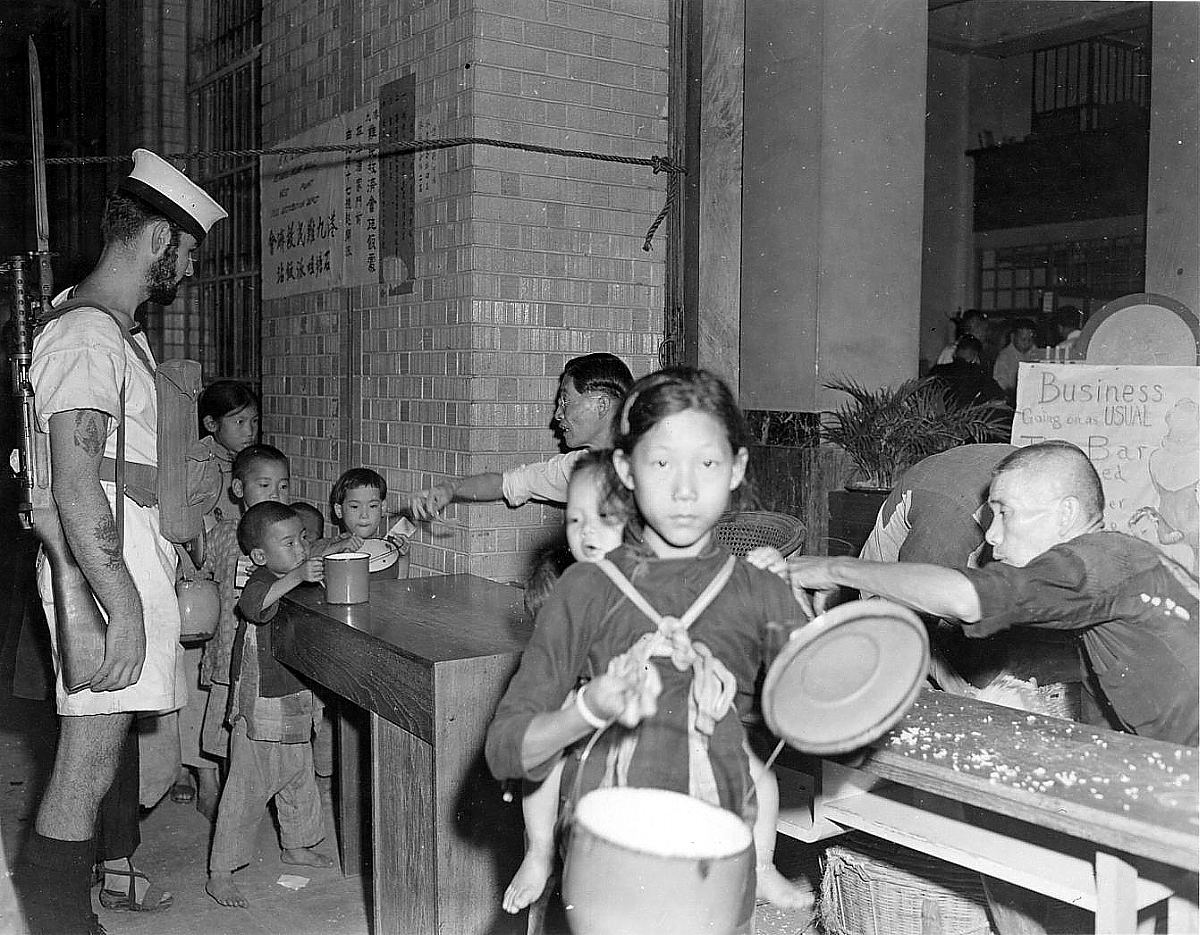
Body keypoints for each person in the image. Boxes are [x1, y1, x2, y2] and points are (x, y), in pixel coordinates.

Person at [486, 367, 807, 924]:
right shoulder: (585, 589)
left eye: (707, 463)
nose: (685, 489)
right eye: (660, 462)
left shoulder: (760, 592)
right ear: (624, 469)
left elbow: (826, 726)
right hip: (600, 866)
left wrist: (809, 618)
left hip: (718, 868)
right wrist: (590, 708)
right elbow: (506, 750)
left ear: (737, 469)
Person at [14, 149, 225, 934]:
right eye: (190, 252)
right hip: (108, 572)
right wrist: (123, 605)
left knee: (96, 763)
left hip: (126, 558)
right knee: (83, 764)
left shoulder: (114, 334)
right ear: (160, 240)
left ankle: (73, 919)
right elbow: (74, 484)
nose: (191, 271)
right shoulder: (88, 335)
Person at [789, 441, 1200, 747]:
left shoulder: (1089, 566)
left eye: (1005, 513)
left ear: (1066, 515)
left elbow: (967, 600)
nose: (990, 534)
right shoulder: (1115, 558)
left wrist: (834, 567)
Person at [206, 501, 333, 908]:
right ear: (260, 555)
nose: (300, 548)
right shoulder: (259, 579)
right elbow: (254, 608)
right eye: (288, 543)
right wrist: (296, 575)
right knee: (246, 788)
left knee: (299, 778)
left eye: (302, 540)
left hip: (294, 696)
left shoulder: (297, 579)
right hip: (260, 705)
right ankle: (220, 871)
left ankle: (296, 845)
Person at [408, 353, 633, 518]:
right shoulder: (579, 467)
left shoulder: (648, 461)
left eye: (565, 401)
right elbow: (508, 483)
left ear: (602, 405)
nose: (557, 414)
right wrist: (450, 489)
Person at [199, 444, 292, 781]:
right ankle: (225, 794)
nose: (276, 494)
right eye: (264, 485)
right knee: (228, 731)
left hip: (269, 654)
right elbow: (197, 570)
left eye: (283, 486)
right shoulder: (223, 535)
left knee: (264, 733)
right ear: (239, 489)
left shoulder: (289, 536)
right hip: (228, 652)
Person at [329, 467, 412, 578]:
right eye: (354, 506)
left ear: (383, 507)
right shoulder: (333, 547)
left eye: (372, 506)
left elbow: (400, 585)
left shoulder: (388, 547)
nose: (364, 515)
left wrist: (403, 556)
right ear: (339, 510)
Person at [926, 336, 1006, 408]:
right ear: (976, 357)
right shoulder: (979, 375)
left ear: (955, 354)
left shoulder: (936, 370)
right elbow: (1000, 399)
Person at [991, 319, 1040, 401]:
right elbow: (1000, 384)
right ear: (1013, 337)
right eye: (1023, 339)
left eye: (1030, 340)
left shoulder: (1038, 354)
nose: (1027, 343)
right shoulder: (1004, 357)